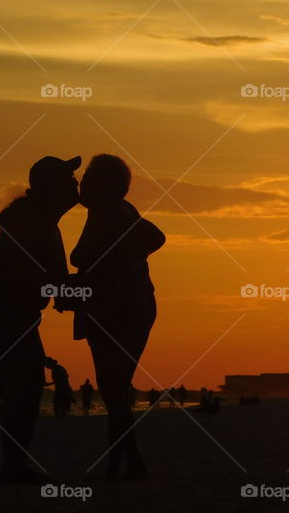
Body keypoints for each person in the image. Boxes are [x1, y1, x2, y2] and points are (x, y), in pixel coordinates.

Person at [0, 155, 80, 484]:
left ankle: (13, 466)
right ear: (53, 188)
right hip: (6, 314)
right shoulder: (36, 223)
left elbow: (55, 287)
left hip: (8, 313)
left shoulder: (38, 220)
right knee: (23, 390)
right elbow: (55, 288)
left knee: (21, 389)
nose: (76, 184)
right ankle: (12, 468)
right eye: (69, 179)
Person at [59, 154, 166, 480]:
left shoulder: (106, 211)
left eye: (88, 180)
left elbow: (80, 255)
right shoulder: (124, 212)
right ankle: (125, 463)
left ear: (103, 185)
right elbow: (156, 237)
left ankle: (130, 464)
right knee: (116, 389)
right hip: (137, 307)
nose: (83, 186)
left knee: (114, 390)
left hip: (114, 310)